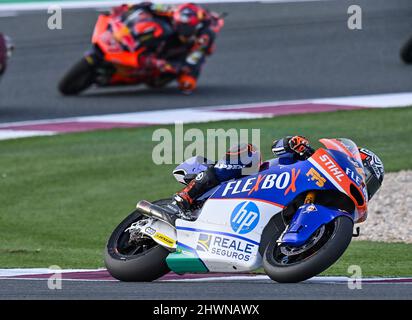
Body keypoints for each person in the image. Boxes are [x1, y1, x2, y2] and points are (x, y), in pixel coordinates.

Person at [173, 135, 384, 212]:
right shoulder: (314, 162)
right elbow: (278, 146)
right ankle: (188, 195)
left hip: (252, 209)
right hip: (251, 179)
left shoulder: (331, 207)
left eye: (370, 183)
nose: (364, 182)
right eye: (365, 174)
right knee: (249, 152)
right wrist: (294, 144)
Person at [110, 2, 219, 94]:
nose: (182, 28)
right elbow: (148, 5)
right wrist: (128, 8)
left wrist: (174, 66)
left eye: (186, 27)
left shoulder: (203, 38)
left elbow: (192, 61)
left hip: (184, 54)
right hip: (167, 40)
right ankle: (131, 44)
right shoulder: (172, 11)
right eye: (180, 24)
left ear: (195, 27)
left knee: (187, 84)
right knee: (157, 27)